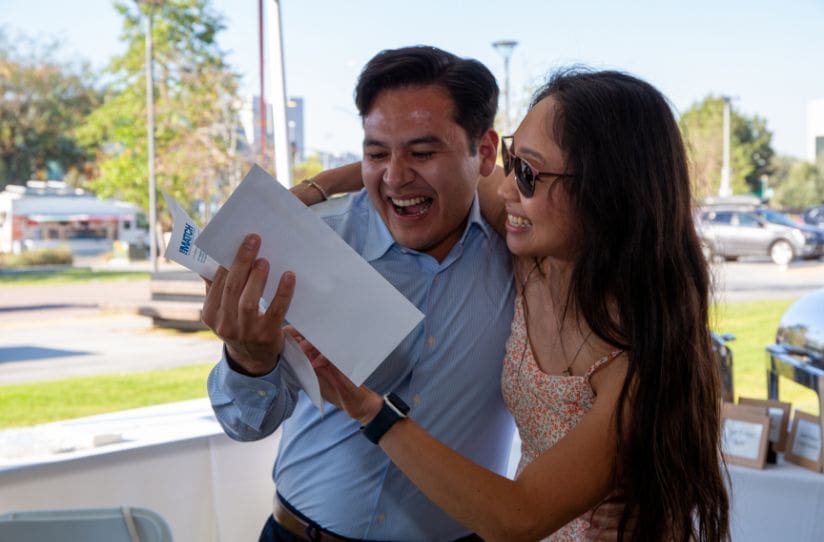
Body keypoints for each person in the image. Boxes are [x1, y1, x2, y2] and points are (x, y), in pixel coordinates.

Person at [298, 68, 730, 541]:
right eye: (510, 157)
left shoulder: (636, 348)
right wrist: (315, 189)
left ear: (606, 188)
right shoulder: (535, 253)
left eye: (526, 171)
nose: (505, 186)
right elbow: (428, 166)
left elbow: (518, 517)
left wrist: (368, 409)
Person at [203, 45, 517, 541]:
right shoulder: (306, 245)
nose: (394, 177)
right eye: (376, 153)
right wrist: (248, 360)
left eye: (422, 152)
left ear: (482, 151)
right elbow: (247, 426)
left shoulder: (525, 259)